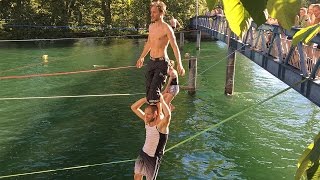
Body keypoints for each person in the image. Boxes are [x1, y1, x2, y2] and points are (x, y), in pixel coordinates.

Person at [136, 0, 185, 107]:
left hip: (162, 63)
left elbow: (175, 47)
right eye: (151, 12)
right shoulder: (151, 27)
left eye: (154, 12)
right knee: (149, 91)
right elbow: (149, 43)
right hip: (151, 62)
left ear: (161, 13)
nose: (151, 14)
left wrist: (180, 64)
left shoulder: (167, 28)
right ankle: (159, 113)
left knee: (154, 91)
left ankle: (157, 119)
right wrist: (142, 57)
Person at [131, 94, 171, 180]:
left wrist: (162, 101)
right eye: (145, 113)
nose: (145, 116)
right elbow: (134, 107)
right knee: (137, 176)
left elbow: (168, 116)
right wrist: (145, 99)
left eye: (148, 114)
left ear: (155, 114)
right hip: (143, 153)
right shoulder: (147, 121)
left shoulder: (161, 126)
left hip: (153, 158)